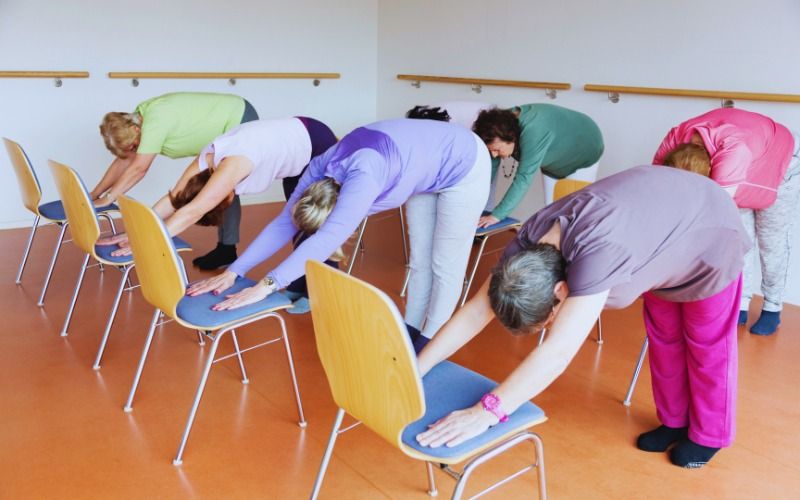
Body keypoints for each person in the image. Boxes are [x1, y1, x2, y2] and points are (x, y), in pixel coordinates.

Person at [415, 166, 749, 469]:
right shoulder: (528, 244)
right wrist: (417, 367)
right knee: (664, 338)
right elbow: (476, 310)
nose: (548, 328)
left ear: (562, 290)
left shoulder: (598, 257)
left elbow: (558, 353)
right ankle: (675, 420)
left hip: (711, 234)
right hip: (663, 234)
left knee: (707, 346)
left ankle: (710, 435)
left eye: (545, 322)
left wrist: (486, 412)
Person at [186, 118, 490, 349]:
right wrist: (235, 272)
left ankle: (430, 343)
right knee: (420, 259)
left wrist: (266, 285)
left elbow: (327, 238)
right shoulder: (320, 167)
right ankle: (411, 332)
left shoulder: (364, 179)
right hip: (425, 162)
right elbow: (283, 223)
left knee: (445, 263)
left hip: (464, 162)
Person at [97, 116, 337, 312]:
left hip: (314, 144)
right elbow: (174, 200)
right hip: (295, 144)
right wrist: (135, 231)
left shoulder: (232, 168)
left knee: (316, 222)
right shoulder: (203, 164)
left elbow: (193, 211)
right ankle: (300, 282)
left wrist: (143, 242)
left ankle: (325, 291)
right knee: (297, 220)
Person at [654, 108, 800, 335]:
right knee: (741, 239)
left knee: (771, 242)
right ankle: (740, 303)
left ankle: (772, 307)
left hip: (784, 160)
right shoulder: (672, 142)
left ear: (712, 174)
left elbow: (715, 217)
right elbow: (655, 186)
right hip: (747, 156)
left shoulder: (732, 154)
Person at [92, 92, 258, 269]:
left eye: (133, 146)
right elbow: (126, 159)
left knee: (223, 187)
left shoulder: (154, 122)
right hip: (229, 115)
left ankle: (226, 249)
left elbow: (139, 168)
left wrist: (110, 198)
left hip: (237, 118)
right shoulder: (135, 121)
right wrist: (95, 194)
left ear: (136, 130)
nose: (134, 150)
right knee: (219, 186)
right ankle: (227, 249)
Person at [472, 103, 604, 227]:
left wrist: (497, 215)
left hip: (584, 148)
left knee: (576, 213)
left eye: (497, 150)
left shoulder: (534, 131)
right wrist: (472, 204)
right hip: (555, 156)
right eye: (491, 150)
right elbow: (489, 169)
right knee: (552, 210)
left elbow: (523, 178)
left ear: (511, 137)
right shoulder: (497, 126)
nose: (494, 155)